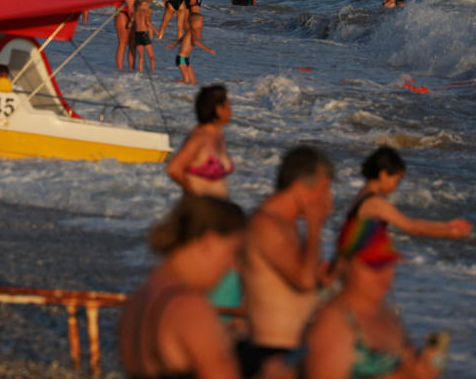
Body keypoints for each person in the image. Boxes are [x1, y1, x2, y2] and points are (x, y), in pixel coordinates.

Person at [303, 211, 446, 378]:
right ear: (345, 265)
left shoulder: (387, 314)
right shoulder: (333, 325)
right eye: (373, 265)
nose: (383, 274)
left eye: (387, 263)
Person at [119, 195, 246, 379]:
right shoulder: (188, 306)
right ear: (208, 242)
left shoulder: (139, 299)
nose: (232, 265)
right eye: (233, 252)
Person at [239, 145, 334, 378]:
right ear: (302, 188)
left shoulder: (285, 225)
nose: (328, 199)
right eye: (325, 190)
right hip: (270, 352)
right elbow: (303, 280)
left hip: (290, 350)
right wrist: (315, 225)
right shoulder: (266, 224)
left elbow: (308, 278)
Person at [348, 146, 472, 241]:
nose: (396, 187)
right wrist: (450, 232)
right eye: (397, 181)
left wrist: (446, 225)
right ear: (383, 174)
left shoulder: (363, 193)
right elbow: (411, 226)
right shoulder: (375, 203)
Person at [166, 85, 234, 198]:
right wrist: (193, 192)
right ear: (218, 109)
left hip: (216, 208)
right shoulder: (199, 138)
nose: (231, 111)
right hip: (199, 209)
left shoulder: (218, 134)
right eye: (228, 106)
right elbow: (173, 169)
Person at [166, 13, 214, 85]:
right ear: (195, 23)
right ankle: (169, 85)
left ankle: (191, 93)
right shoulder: (193, 31)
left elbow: (182, 38)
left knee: (194, 82)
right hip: (181, 58)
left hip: (185, 58)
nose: (202, 24)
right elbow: (194, 42)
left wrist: (174, 45)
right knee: (186, 80)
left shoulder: (190, 30)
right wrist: (208, 49)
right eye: (201, 22)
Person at [115, 0, 143, 70]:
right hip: (123, 13)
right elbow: (124, 0)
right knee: (123, 42)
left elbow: (143, 2)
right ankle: (119, 69)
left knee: (133, 44)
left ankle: (132, 69)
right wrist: (131, 16)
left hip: (135, 15)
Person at [132, 0, 155, 72]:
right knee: (151, 56)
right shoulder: (146, 12)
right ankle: (152, 71)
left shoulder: (135, 12)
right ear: (144, 4)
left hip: (137, 34)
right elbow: (148, 23)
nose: (148, 6)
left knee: (141, 56)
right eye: (147, 4)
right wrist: (156, 31)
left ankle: (140, 71)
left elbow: (130, 23)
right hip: (144, 34)